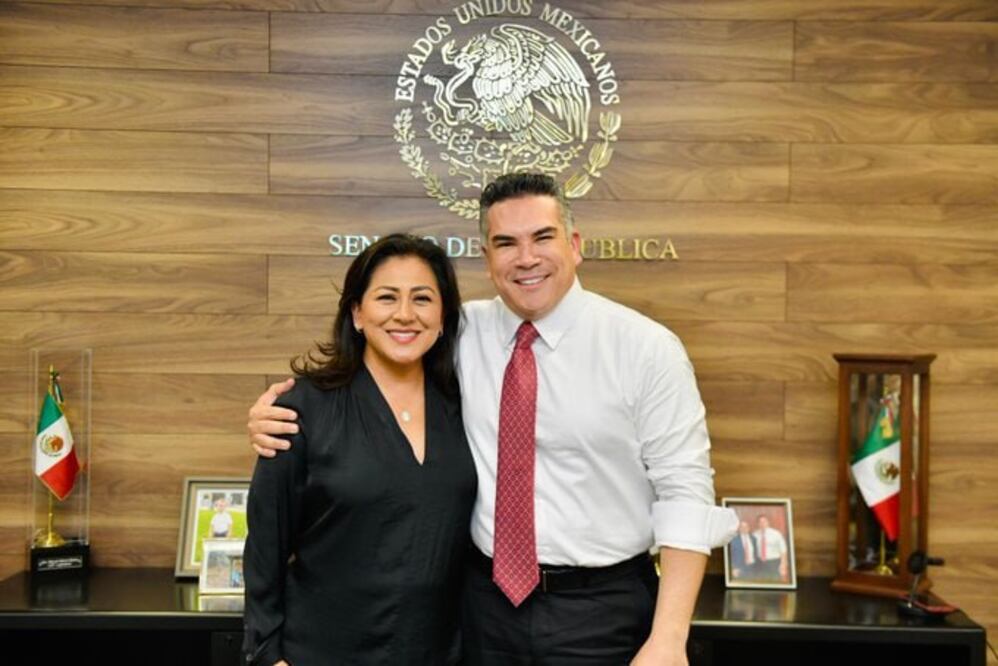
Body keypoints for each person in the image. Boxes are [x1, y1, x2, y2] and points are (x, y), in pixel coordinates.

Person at [248, 173, 737, 665]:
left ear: (574, 245)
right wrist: (282, 412)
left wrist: (669, 638)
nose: (526, 258)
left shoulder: (645, 349)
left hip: (601, 610)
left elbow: (685, 493)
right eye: (506, 243)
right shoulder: (461, 332)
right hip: (480, 609)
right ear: (487, 258)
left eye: (542, 237)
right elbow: (382, 357)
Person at [242, 234, 477, 666]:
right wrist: (267, 654)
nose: (404, 314)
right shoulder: (302, 409)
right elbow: (265, 546)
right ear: (357, 313)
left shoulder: (468, 406)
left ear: (443, 317)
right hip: (319, 651)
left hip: (438, 652)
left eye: (422, 298)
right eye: (387, 297)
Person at [752, 515, 789, 582]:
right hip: (760, 563)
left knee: (774, 582)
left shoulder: (776, 534)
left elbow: (783, 550)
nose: (762, 524)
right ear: (758, 524)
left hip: (773, 563)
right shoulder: (754, 534)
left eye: (764, 521)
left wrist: (783, 564)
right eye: (760, 522)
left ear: (768, 522)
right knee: (760, 583)